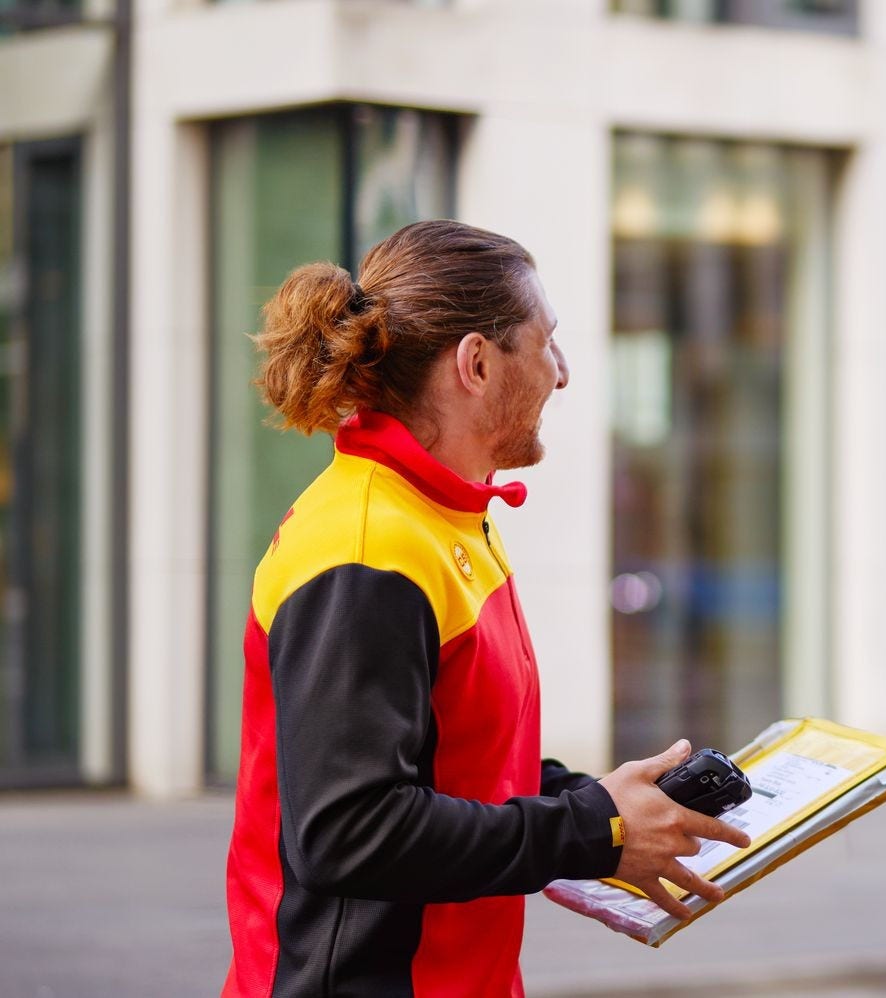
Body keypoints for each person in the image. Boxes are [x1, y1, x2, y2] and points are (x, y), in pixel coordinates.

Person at [222, 220, 750, 997]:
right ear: (475, 363)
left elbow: (455, 756)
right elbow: (348, 830)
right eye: (545, 343)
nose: (561, 372)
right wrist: (590, 832)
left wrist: (602, 804)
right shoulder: (366, 550)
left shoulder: (442, 519)